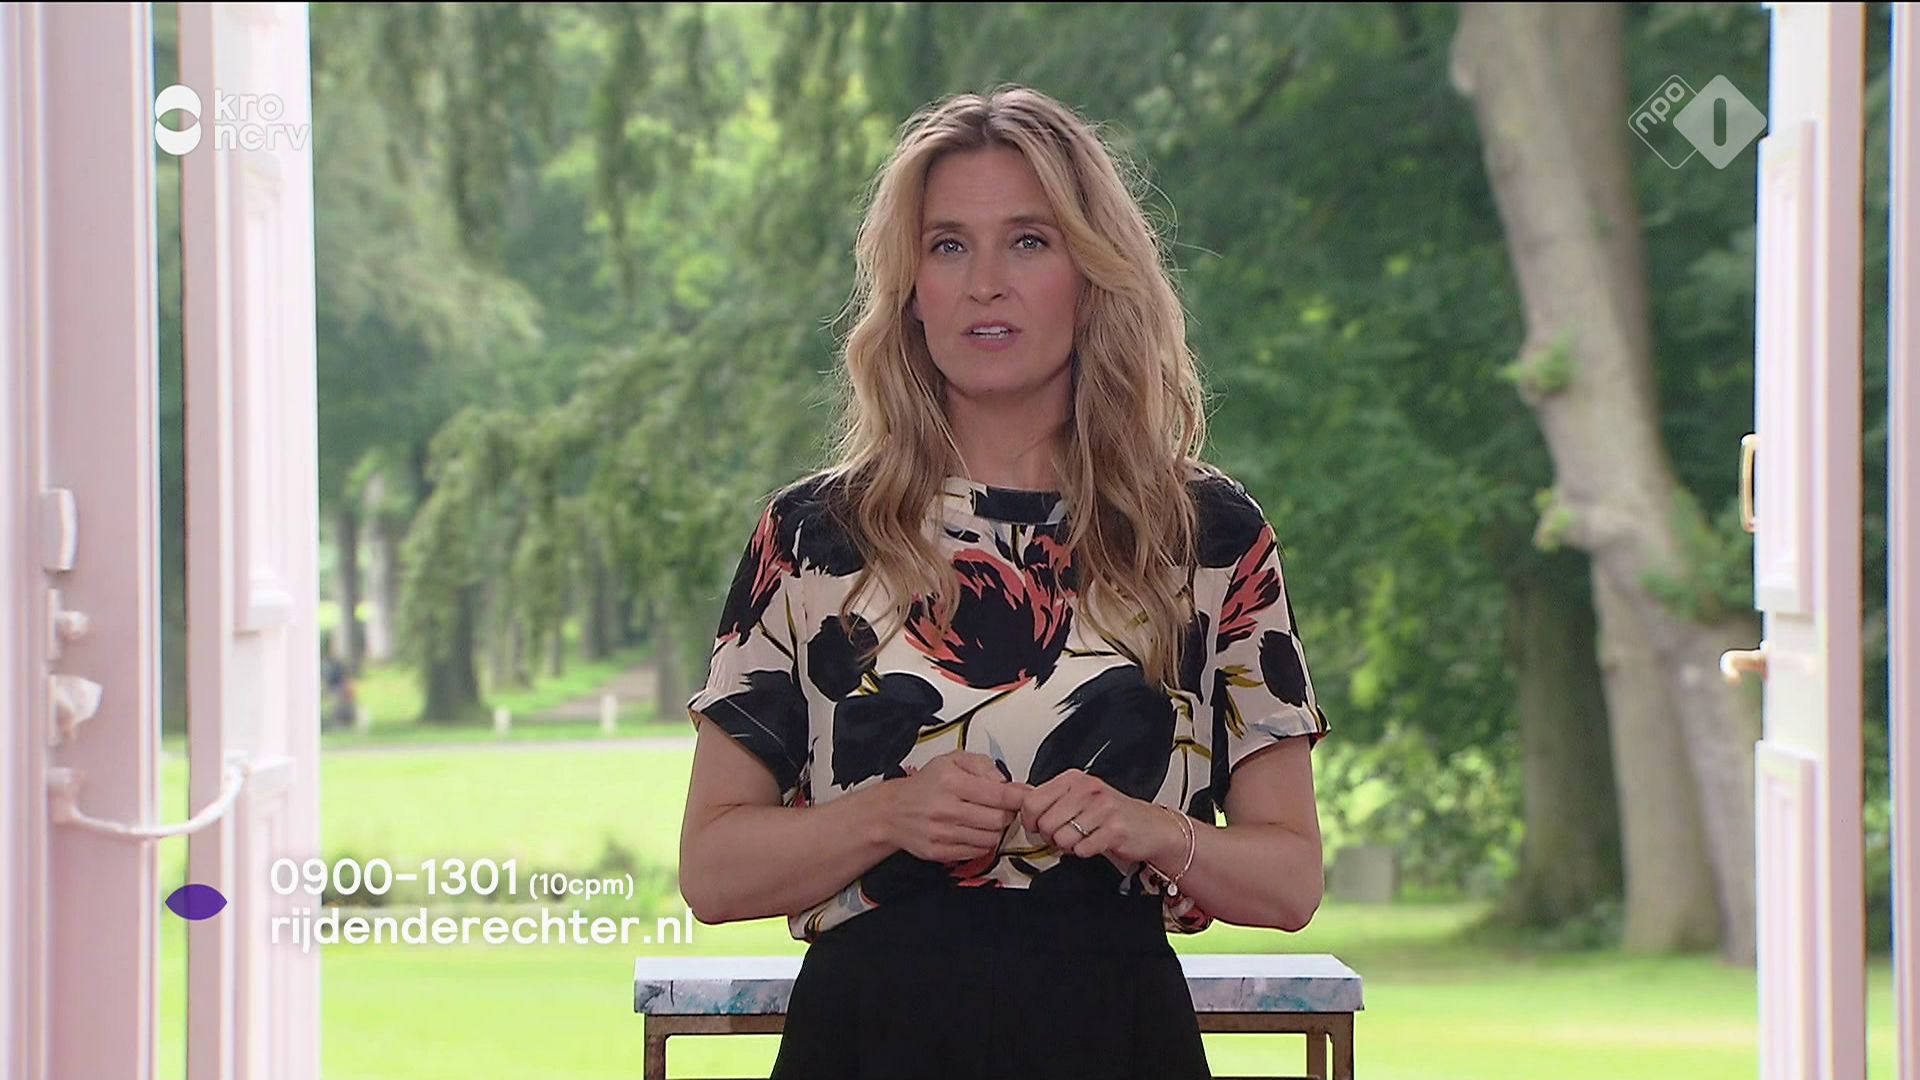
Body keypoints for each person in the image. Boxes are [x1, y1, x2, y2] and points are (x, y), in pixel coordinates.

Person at [677, 85, 1331, 1080]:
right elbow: (712, 873)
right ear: (910, 290)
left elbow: (1289, 882)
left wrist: (1148, 829)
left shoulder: (1207, 539)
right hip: (866, 1044)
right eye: (948, 246)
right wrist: (891, 815)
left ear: (1092, 274)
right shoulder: (813, 539)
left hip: (1119, 1041)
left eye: (1028, 241)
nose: (986, 283)